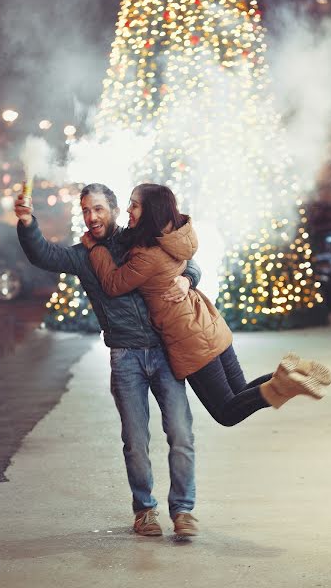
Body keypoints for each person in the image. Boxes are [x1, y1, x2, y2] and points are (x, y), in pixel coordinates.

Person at [14, 183, 201, 538]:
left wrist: (187, 279)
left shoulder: (139, 238)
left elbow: (185, 260)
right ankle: (145, 510)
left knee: (180, 431)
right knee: (134, 438)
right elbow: (44, 255)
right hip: (125, 356)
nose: (91, 217)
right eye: (85, 210)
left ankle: (183, 510)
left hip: (164, 350)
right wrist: (27, 222)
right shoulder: (83, 255)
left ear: (113, 209)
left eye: (98, 209)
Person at [82, 183, 331, 428]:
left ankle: (284, 383)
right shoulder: (171, 237)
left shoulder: (148, 254)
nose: (128, 210)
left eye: (134, 206)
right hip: (207, 322)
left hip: (188, 337)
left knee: (226, 412)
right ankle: (293, 372)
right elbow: (185, 264)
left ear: (150, 211)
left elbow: (114, 284)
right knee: (242, 392)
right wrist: (188, 278)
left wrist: (95, 249)